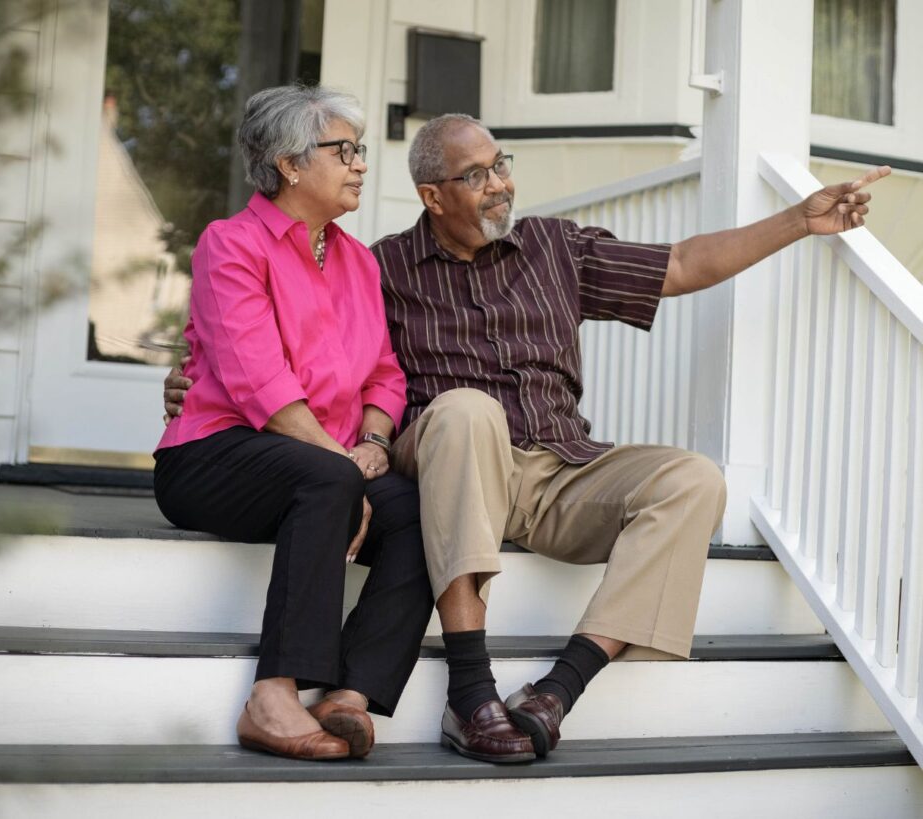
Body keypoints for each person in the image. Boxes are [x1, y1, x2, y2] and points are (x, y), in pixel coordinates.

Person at [165, 113, 887, 764]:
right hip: (457, 460)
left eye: (500, 164)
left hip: (558, 467)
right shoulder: (382, 264)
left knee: (693, 477)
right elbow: (280, 325)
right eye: (474, 175)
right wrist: (196, 375)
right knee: (466, 410)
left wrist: (798, 220)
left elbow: (684, 265)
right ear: (432, 196)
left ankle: (558, 691)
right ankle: (470, 689)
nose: (498, 184)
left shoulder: (554, 248)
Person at [154, 85, 434, 762]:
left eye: (360, 151)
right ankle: (272, 696)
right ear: (290, 163)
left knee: (423, 509)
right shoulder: (231, 245)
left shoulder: (357, 260)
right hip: (215, 458)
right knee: (325, 480)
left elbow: (386, 375)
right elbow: (263, 388)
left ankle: (349, 694)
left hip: (323, 465)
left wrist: (370, 443)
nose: (362, 164)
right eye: (347, 151)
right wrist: (343, 468)